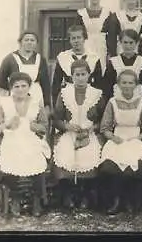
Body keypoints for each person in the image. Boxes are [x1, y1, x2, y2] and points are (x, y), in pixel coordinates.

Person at [0, 72, 51, 217]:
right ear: (11, 88)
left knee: (37, 160)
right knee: (11, 161)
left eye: (23, 85)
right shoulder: (4, 103)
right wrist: (7, 124)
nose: (20, 89)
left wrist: (35, 127)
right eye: (16, 86)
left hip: (32, 140)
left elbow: (44, 126)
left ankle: (36, 200)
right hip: (12, 140)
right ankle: (16, 199)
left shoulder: (36, 103)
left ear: (29, 86)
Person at [51, 60, 107, 211]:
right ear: (72, 76)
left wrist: (92, 127)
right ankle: (68, 193)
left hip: (90, 133)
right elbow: (56, 119)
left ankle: (85, 194)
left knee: (89, 152)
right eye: (77, 75)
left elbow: (105, 120)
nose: (80, 78)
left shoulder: (97, 94)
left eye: (83, 74)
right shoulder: (64, 94)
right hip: (69, 132)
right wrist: (67, 125)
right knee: (65, 151)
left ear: (89, 75)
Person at [99, 70, 142, 215]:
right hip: (117, 138)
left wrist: (138, 138)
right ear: (118, 84)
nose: (127, 86)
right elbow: (104, 128)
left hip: (135, 139)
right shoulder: (112, 102)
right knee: (111, 167)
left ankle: (129, 200)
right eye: (124, 82)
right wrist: (113, 137)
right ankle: (116, 200)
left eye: (130, 83)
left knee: (134, 168)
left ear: (136, 85)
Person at [0, 31, 51, 115]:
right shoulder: (10, 58)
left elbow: (45, 83)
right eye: (26, 40)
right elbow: (0, 81)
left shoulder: (40, 59)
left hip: (36, 94)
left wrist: (47, 104)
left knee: (35, 118)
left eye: (32, 40)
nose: (29, 42)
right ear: (20, 42)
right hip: (17, 95)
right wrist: (15, 88)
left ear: (36, 43)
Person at [51, 25, 104, 106]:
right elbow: (56, 83)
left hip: (89, 95)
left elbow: (99, 83)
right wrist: (56, 103)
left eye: (79, 37)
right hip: (68, 95)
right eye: (73, 38)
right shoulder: (63, 57)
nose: (76, 41)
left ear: (84, 38)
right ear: (70, 40)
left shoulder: (94, 57)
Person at [75, 0, 119, 74]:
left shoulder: (107, 13)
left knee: (101, 70)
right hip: (86, 45)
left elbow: (112, 35)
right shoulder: (81, 14)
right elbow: (77, 33)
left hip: (102, 47)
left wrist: (111, 53)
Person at [105, 29, 142, 99]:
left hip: (138, 99)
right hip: (118, 99)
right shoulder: (113, 62)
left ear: (137, 43)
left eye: (131, 42)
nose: (128, 46)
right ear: (120, 43)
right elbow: (108, 86)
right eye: (125, 42)